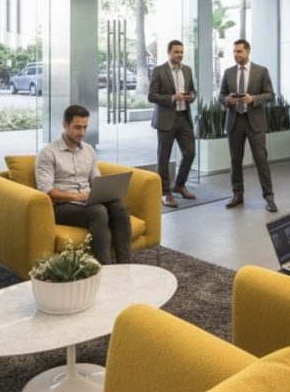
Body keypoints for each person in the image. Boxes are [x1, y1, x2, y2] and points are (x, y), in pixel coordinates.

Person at [35, 104, 132, 264]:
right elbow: (47, 191)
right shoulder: (48, 153)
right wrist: (78, 197)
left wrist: (105, 191)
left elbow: (96, 180)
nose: (82, 132)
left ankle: (125, 265)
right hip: (61, 206)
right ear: (65, 125)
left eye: (85, 127)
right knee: (98, 212)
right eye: (77, 127)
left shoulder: (88, 150)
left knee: (120, 207)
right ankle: (104, 269)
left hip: (87, 200)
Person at [219, 39, 278, 212]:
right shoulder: (228, 72)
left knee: (261, 160)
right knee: (235, 161)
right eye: (235, 52)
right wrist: (226, 100)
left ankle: (269, 197)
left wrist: (253, 99)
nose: (236, 55)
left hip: (255, 122)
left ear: (248, 52)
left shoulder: (261, 71)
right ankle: (237, 195)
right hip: (235, 121)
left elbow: (270, 94)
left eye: (239, 52)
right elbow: (221, 95)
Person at [149, 39, 197, 208]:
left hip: (184, 117)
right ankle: (165, 192)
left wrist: (191, 96)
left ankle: (179, 185)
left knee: (190, 153)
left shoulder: (188, 70)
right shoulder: (159, 71)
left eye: (181, 52)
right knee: (164, 157)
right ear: (169, 53)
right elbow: (152, 96)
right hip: (166, 119)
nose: (179, 55)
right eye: (176, 52)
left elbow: (193, 90)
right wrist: (172, 98)